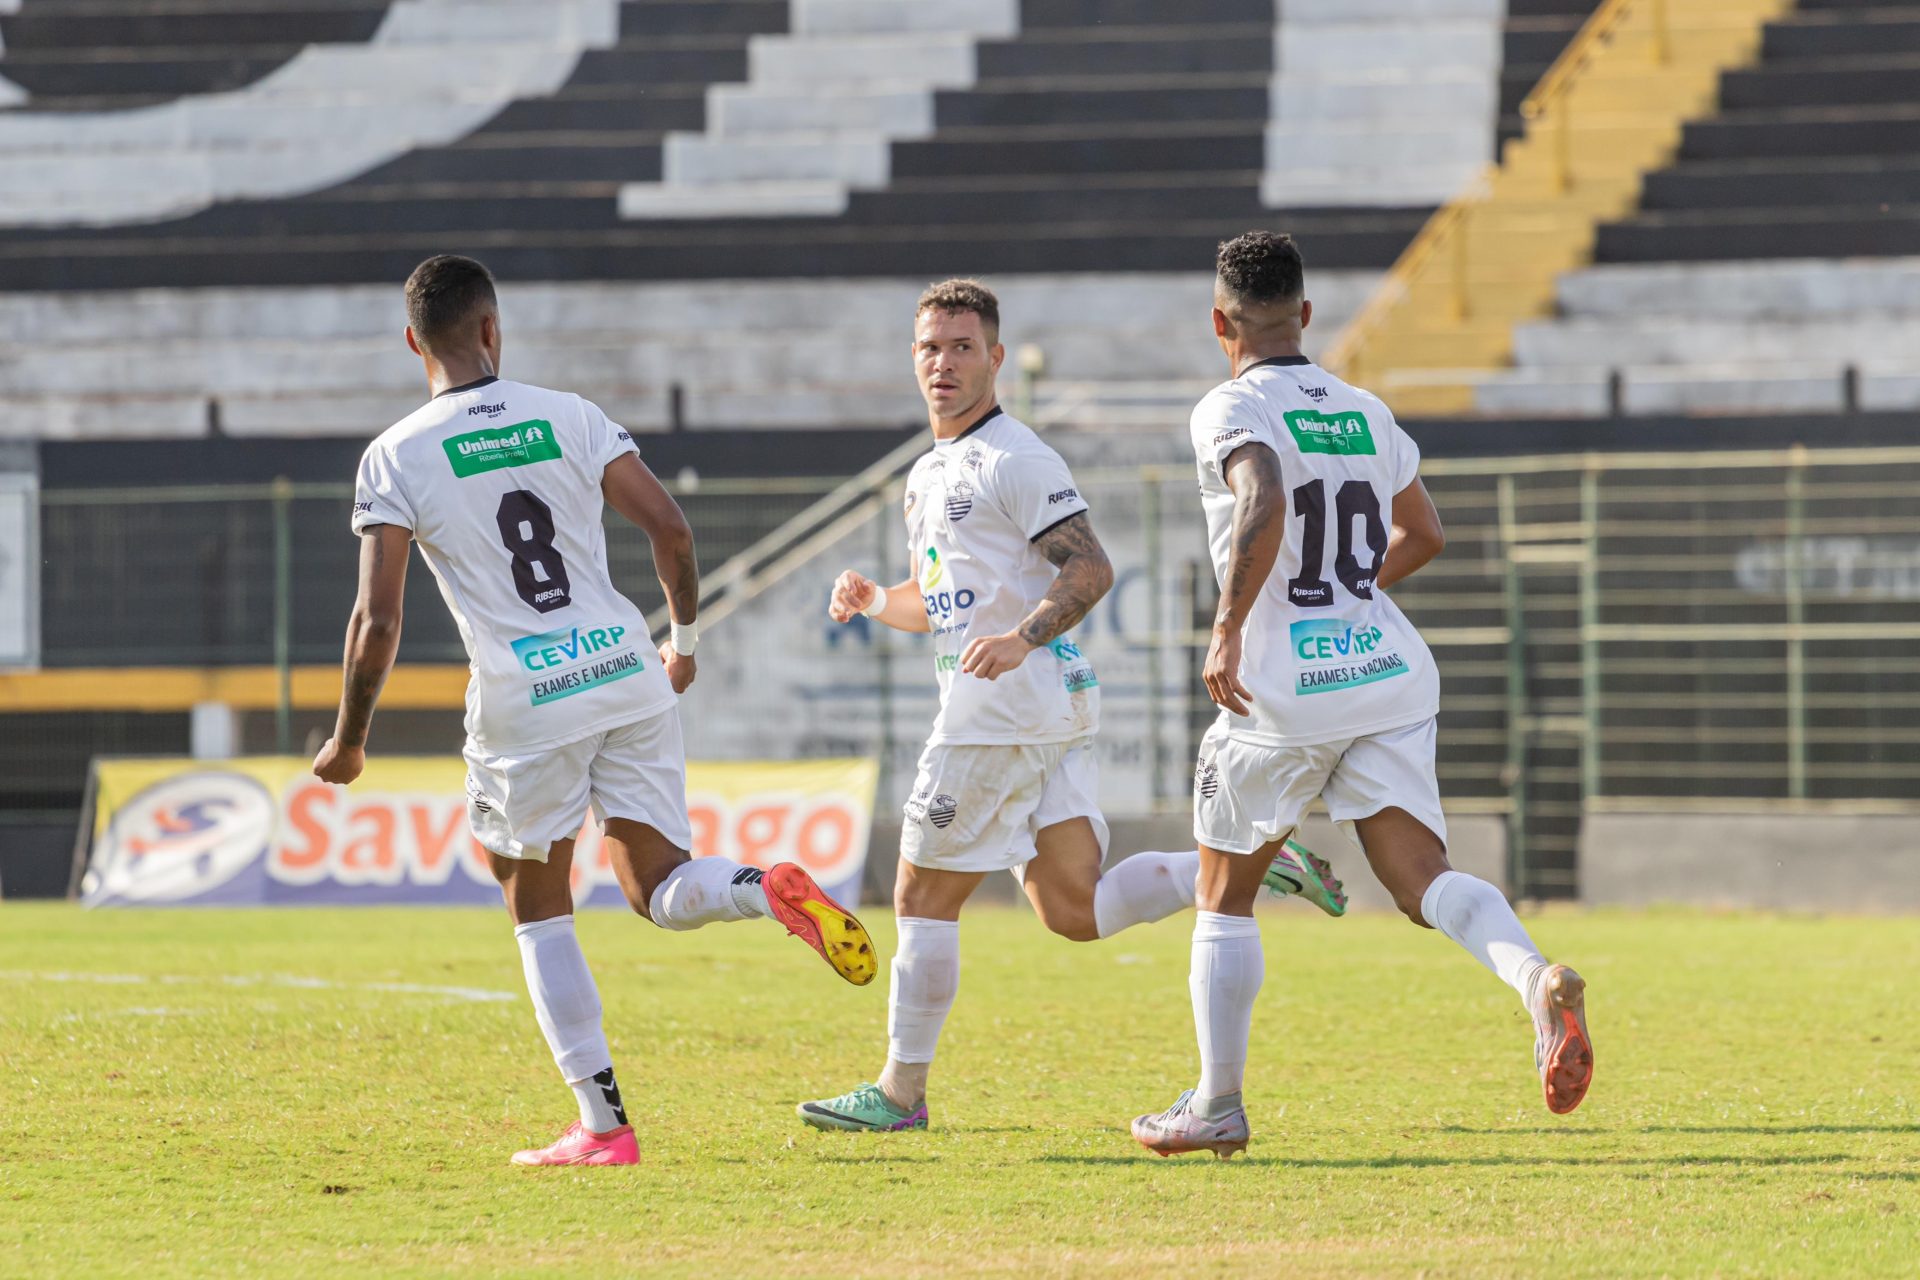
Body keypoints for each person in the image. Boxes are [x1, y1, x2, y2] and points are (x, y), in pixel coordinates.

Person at [312, 254, 876, 1168]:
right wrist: (681, 645)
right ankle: (758, 886)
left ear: (413, 342)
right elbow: (672, 530)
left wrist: (349, 739)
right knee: (659, 887)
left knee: (538, 908)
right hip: (624, 668)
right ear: (492, 328)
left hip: (525, 699)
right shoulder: (569, 414)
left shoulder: (396, 455)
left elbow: (377, 619)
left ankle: (604, 1128)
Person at [795, 279, 1347, 1135]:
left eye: (963, 347)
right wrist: (875, 600)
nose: (944, 363)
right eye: (931, 348)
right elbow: (939, 605)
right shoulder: (927, 472)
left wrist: (1021, 638)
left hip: (1001, 713)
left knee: (919, 895)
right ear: (913, 357)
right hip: (1041, 706)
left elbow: (1090, 567)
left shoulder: (1013, 458)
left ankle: (900, 1095)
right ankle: (1247, 861)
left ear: (996, 359)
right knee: (1072, 909)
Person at [1130, 232, 1593, 1159]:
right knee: (1422, 880)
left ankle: (1217, 1103)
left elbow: (1262, 496)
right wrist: (1346, 599)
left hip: (1282, 691)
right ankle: (1535, 983)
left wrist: (1228, 626)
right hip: (1383, 671)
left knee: (1223, 895)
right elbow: (1425, 533)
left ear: (1220, 322)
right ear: (1305, 314)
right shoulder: (1366, 410)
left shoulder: (1230, 405)